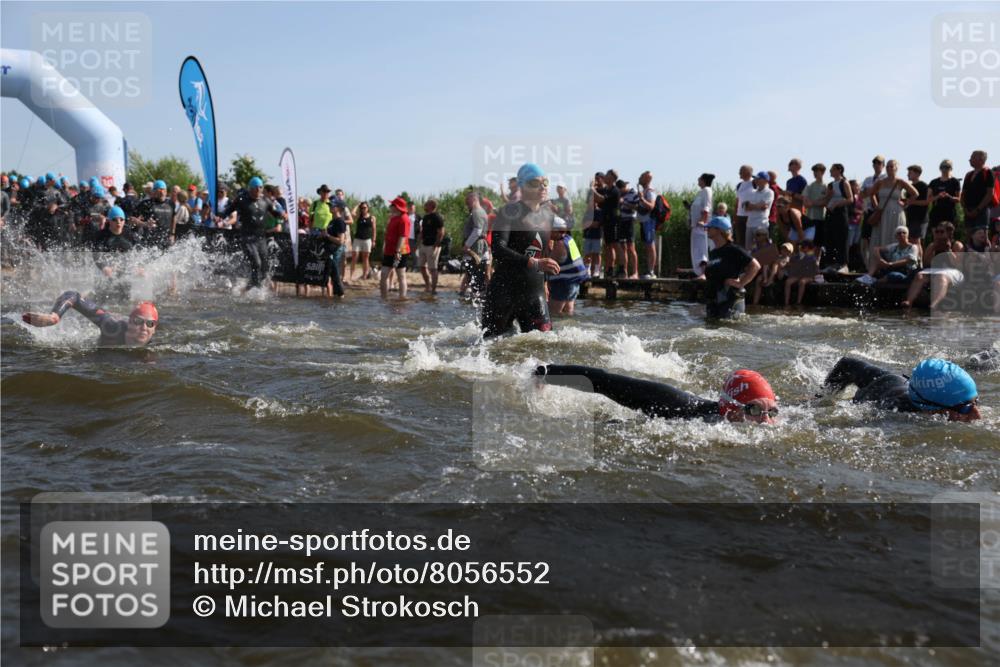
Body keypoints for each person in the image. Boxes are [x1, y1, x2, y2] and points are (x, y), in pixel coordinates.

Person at [534, 365, 779, 424]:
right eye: (755, 410)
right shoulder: (709, 420)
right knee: (607, 383)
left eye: (772, 412)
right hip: (670, 403)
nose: (766, 420)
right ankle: (545, 372)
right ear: (732, 408)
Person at [481, 163, 560, 337]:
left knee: (544, 344)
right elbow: (498, 249)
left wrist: (545, 282)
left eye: (545, 182)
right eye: (535, 183)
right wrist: (534, 262)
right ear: (522, 186)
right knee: (492, 347)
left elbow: (542, 251)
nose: (542, 187)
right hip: (504, 291)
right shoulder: (508, 212)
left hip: (534, 291)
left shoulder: (548, 215)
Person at [821, 357, 980, 422]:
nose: (978, 416)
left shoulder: (931, 400)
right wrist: (822, 398)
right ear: (933, 409)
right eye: (965, 408)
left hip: (897, 381)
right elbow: (846, 364)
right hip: (880, 387)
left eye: (975, 402)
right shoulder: (890, 410)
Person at [221, 176, 286, 290]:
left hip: (261, 238)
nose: (258, 190)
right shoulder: (242, 200)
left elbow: (275, 213)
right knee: (256, 263)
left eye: (260, 187)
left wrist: (282, 215)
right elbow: (227, 211)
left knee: (265, 268)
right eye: (256, 188)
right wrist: (219, 217)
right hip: (247, 237)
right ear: (250, 188)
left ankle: (249, 288)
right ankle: (253, 289)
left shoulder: (265, 201)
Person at [22, 293, 158, 347]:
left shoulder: (153, 346)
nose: (144, 328)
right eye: (138, 321)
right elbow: (74, 296)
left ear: (154, 329)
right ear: (129, 322)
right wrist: (54, 317)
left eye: (150, 323)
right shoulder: (111, 326)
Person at [704, 215, 761, 319]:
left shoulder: (733, 250)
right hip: (714, 300)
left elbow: (755, 266)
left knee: (728, 327)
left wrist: (741, 283)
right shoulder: (713, 253)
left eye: (709, 227)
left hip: (730, 299)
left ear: (719, 230)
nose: (707, 229)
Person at [902, 221, 965, 310]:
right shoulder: (932, 245)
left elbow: (958, 265)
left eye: (941, 232)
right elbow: (926, 263)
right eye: (937, 232)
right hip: (935, 270)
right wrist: (933, 248)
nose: (938, 234)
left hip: (953, 271)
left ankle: (935, 304)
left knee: (941, 276)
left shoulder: (957, 244)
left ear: (948, 233)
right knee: (920, 275)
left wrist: (948, 250)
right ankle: (909, 301)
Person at [863, 159, 918, 251]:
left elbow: (915, 194)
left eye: (891, 166)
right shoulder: (880, 182)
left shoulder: (900, 182)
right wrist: (876, 206)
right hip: (882, 212)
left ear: (896, 168)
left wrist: (906, 203)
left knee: (895, 235)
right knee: (881, 234)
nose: (889, 168)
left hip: (896, 212)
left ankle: (896, 256)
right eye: (887, 166)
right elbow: (871, 194)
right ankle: (879, 257)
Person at [546, 216, 588, 316]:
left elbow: (548, 263)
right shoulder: (569, 239)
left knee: (553, 313)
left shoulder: (559, 245)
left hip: (563, 284)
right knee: (568, 312)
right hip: (574, 282)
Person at [823, 163, 854, 270]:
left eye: (832, 169)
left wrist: (837, 203)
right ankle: (830, 263)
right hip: (830, 213)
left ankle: (843, 264)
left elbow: (850, 199)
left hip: (840, 213)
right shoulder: (830, 185)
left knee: (841, 238)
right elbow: (826, 200)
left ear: (839, 170)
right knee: (830, 238)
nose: (830, 171)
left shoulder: (844, 182)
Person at [459, 191, 489, 298]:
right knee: (473, 273)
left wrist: (467, 245)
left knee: (475, 273)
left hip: (475, 247)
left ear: (474, 199)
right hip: (478, 245)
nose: (466, 202)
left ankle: (476, 296)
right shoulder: (480, 211)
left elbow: (478, 230)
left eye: (468, 200)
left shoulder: (477, 212)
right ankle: (473, 295)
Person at [380, 196, 411, 299]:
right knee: (384, 274)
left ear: (397, 207)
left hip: (400, 251)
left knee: (401, 275)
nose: (390, 206)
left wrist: (398, 251)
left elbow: (403, 236)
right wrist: (385, 246)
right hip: (389, 250)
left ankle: (402, 298)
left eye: (392, 205)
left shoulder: (404, 219)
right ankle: (384, 298)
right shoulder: (393, 217)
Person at [593, 170, 621, 277]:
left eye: (607, 175)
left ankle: (622, 269)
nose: (605, 176)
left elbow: (600, 199)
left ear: (612, 177)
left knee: (615, 245)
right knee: (608, 246)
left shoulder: (614, 190)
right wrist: (594, 186)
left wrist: (592, 188)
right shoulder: (606, 189)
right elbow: (596, 198)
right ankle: (610, 268)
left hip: (613, 221)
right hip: (606, 221)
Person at [416, 199, 445, 294]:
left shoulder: (437, 217)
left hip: (432, 246)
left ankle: (433, 289)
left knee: (433, 268)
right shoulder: (425, 217)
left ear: (432, 206)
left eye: (426, 204)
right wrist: (419, 242)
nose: (424, 206)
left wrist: (436, 244)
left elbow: (441, 231)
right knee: (421, 266)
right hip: (424, 244)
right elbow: (422, 231)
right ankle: (428, 285)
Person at [961, 150, 995, 230]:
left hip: (982, 211)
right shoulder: (968, 174)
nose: (970, 160)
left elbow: (990, 194)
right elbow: (963, 194)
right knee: (969, 235)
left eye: (973, 157)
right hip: (968, 210)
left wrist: (978, 210)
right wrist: (965, 209)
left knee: (981, 235)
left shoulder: (988, 172)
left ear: (981, 159)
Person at [689, 173, 714, 278]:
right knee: (696, 250)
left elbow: (707, 207)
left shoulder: (707, 190)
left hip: (701, 226)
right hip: (695, 226)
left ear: (703, 180)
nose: (698, 180)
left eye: (699, 178)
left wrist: (703, 221)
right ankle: (699, 272)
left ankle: (704, 273)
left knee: (701, 249)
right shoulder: (701, 192)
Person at [743, 171, 775, 250]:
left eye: (758, 178)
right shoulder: (753, 192)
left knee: (762, 248)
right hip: (749, 224)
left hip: (761, 224)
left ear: (765, 180)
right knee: (748, 249)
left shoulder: (769, 192)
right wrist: (757, 206)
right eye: (756, 178)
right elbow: (745, 207)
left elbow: (763, 206)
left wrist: (752, 206)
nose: (756, 180)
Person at [636, 171, 659, 278]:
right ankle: (649, 270)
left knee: (650, 245)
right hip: (644, 222)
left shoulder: (650, 191)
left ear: (646, 178)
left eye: (641, 176)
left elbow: (651, 206)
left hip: (649, 221)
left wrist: (642, 198)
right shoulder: (644, 191)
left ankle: (651, 272)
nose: (639, 178)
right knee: (647, 246)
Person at [581, 172, 604, 278]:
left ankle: (597, 270)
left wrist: (589, 224)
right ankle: (587, 270)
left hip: (597, 236)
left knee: (597, 253)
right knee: (587, 253)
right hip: (587, 236)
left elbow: (596, 224)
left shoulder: (599, 211)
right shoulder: (587, 212)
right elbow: (583, 224)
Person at [927, 159, 961, 228]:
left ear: (951, 168)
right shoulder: (934, 182)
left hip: (949, 212)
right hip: (936, 212)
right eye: (942, 167)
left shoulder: (955, 182)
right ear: (940, 168)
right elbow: (928, 199)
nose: (944, 169)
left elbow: (958, 199)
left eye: (947, 167)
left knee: (948, 231)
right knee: (936, 231)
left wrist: (949, 196)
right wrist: (938, 196)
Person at [617, 179, 640, 278]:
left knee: (631, 247)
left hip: (629, 221)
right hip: (621, 221)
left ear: (623, 188)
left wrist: (624, 203)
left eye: (620, 190)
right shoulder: (620, 195)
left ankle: (635, 272)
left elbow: (637, 207)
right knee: (622, 247)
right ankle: (624, 272)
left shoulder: (633, 194)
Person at [351, 201, 376, 280]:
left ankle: (365, 275)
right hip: (358, 238)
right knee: (355, 256)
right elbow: (352, 213)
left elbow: (374, 229)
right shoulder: (359, 216)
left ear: (368, 208)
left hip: (367, 239)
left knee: (365, 257)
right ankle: (351, 275)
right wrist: (357, 205)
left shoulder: (372, 217)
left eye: (364, 207)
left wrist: (374, 240)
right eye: (361, 208)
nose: (363, 209)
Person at [734, 165, 754, 248]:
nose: (739, 173)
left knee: (751, 241)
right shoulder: (739, 185)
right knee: (740, 240)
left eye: (741, 171)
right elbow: (737, 201)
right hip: (740, 216)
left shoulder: (755, 183)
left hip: (751, 216)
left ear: (748, 172)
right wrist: (735, 216)